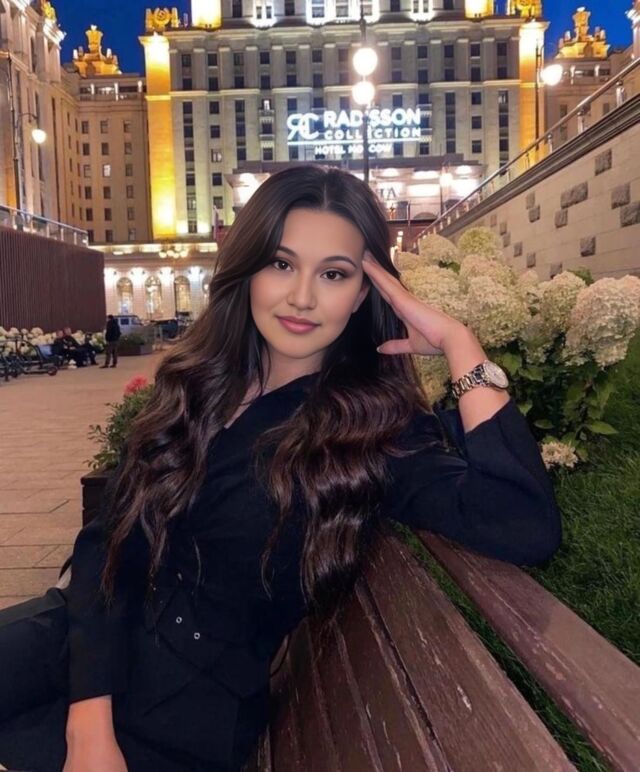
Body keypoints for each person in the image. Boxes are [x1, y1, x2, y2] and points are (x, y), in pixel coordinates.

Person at [0, 165, 562, 772]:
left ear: (365, 293)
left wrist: (459, 345)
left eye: (334, 274)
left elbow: (522, 523)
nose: (302, 297)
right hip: (83, 641)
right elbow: (107, 540)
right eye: (281, 263)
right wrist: (88, 718)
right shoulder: (202, 384)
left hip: (177, 710)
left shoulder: (375, 431)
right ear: (249, 270)